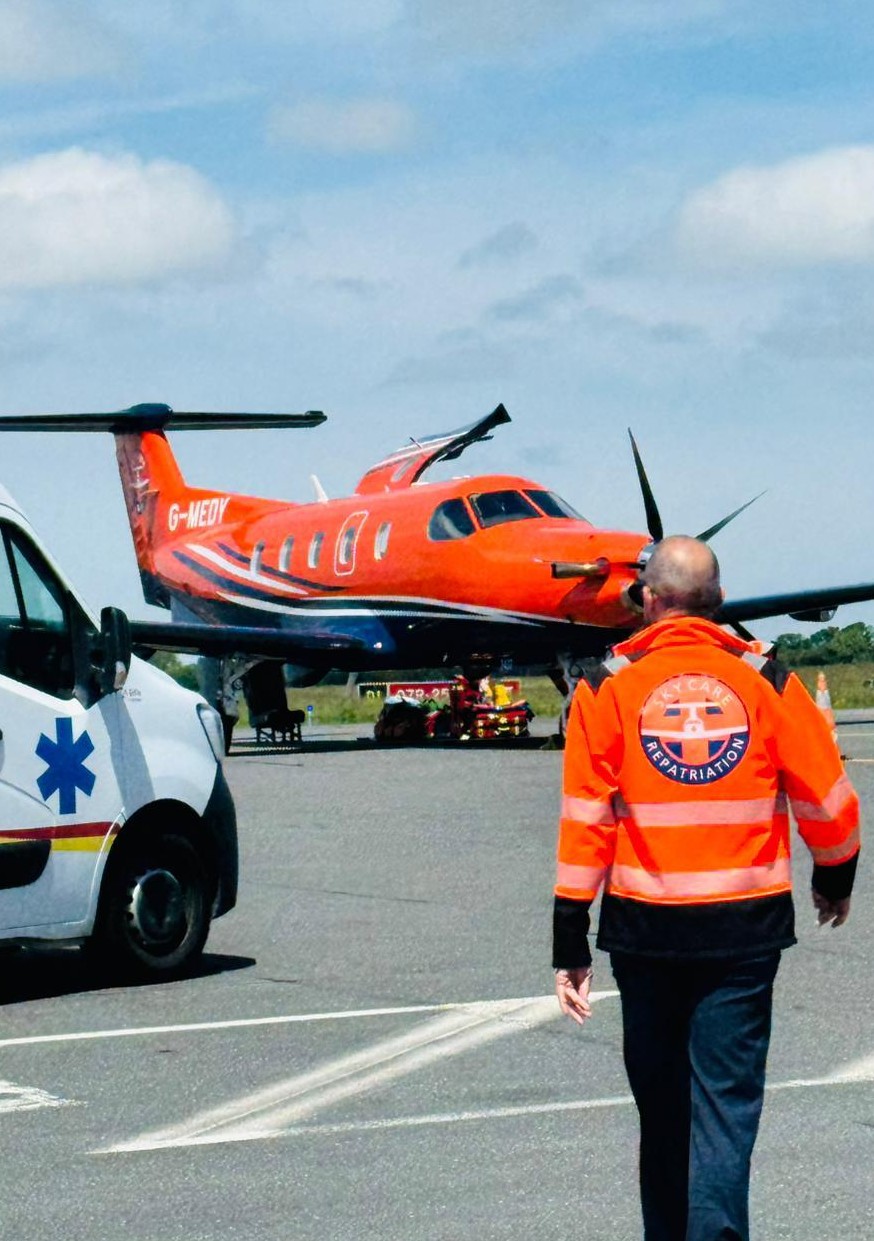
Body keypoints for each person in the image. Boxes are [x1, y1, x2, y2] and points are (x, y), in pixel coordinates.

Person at [552, 535, 860, 1241]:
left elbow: (584, 822)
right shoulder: (767, 682)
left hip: (644, 931)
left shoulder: (608, 688)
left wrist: (570, 939)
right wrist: (834, 878)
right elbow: (830, 801)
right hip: (742, 935)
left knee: (663, 1115)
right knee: (723, 1113)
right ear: (718, 602)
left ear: (649, 600)